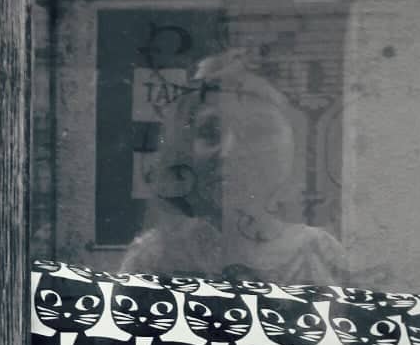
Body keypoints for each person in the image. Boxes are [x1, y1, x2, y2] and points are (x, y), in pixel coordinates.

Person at [119, 46, 347, 285]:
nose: (229, 152)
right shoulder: (153, 258)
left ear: (293, 147)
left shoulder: (316, 254)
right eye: (210, 132)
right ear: (184, 150)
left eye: (256, 131)